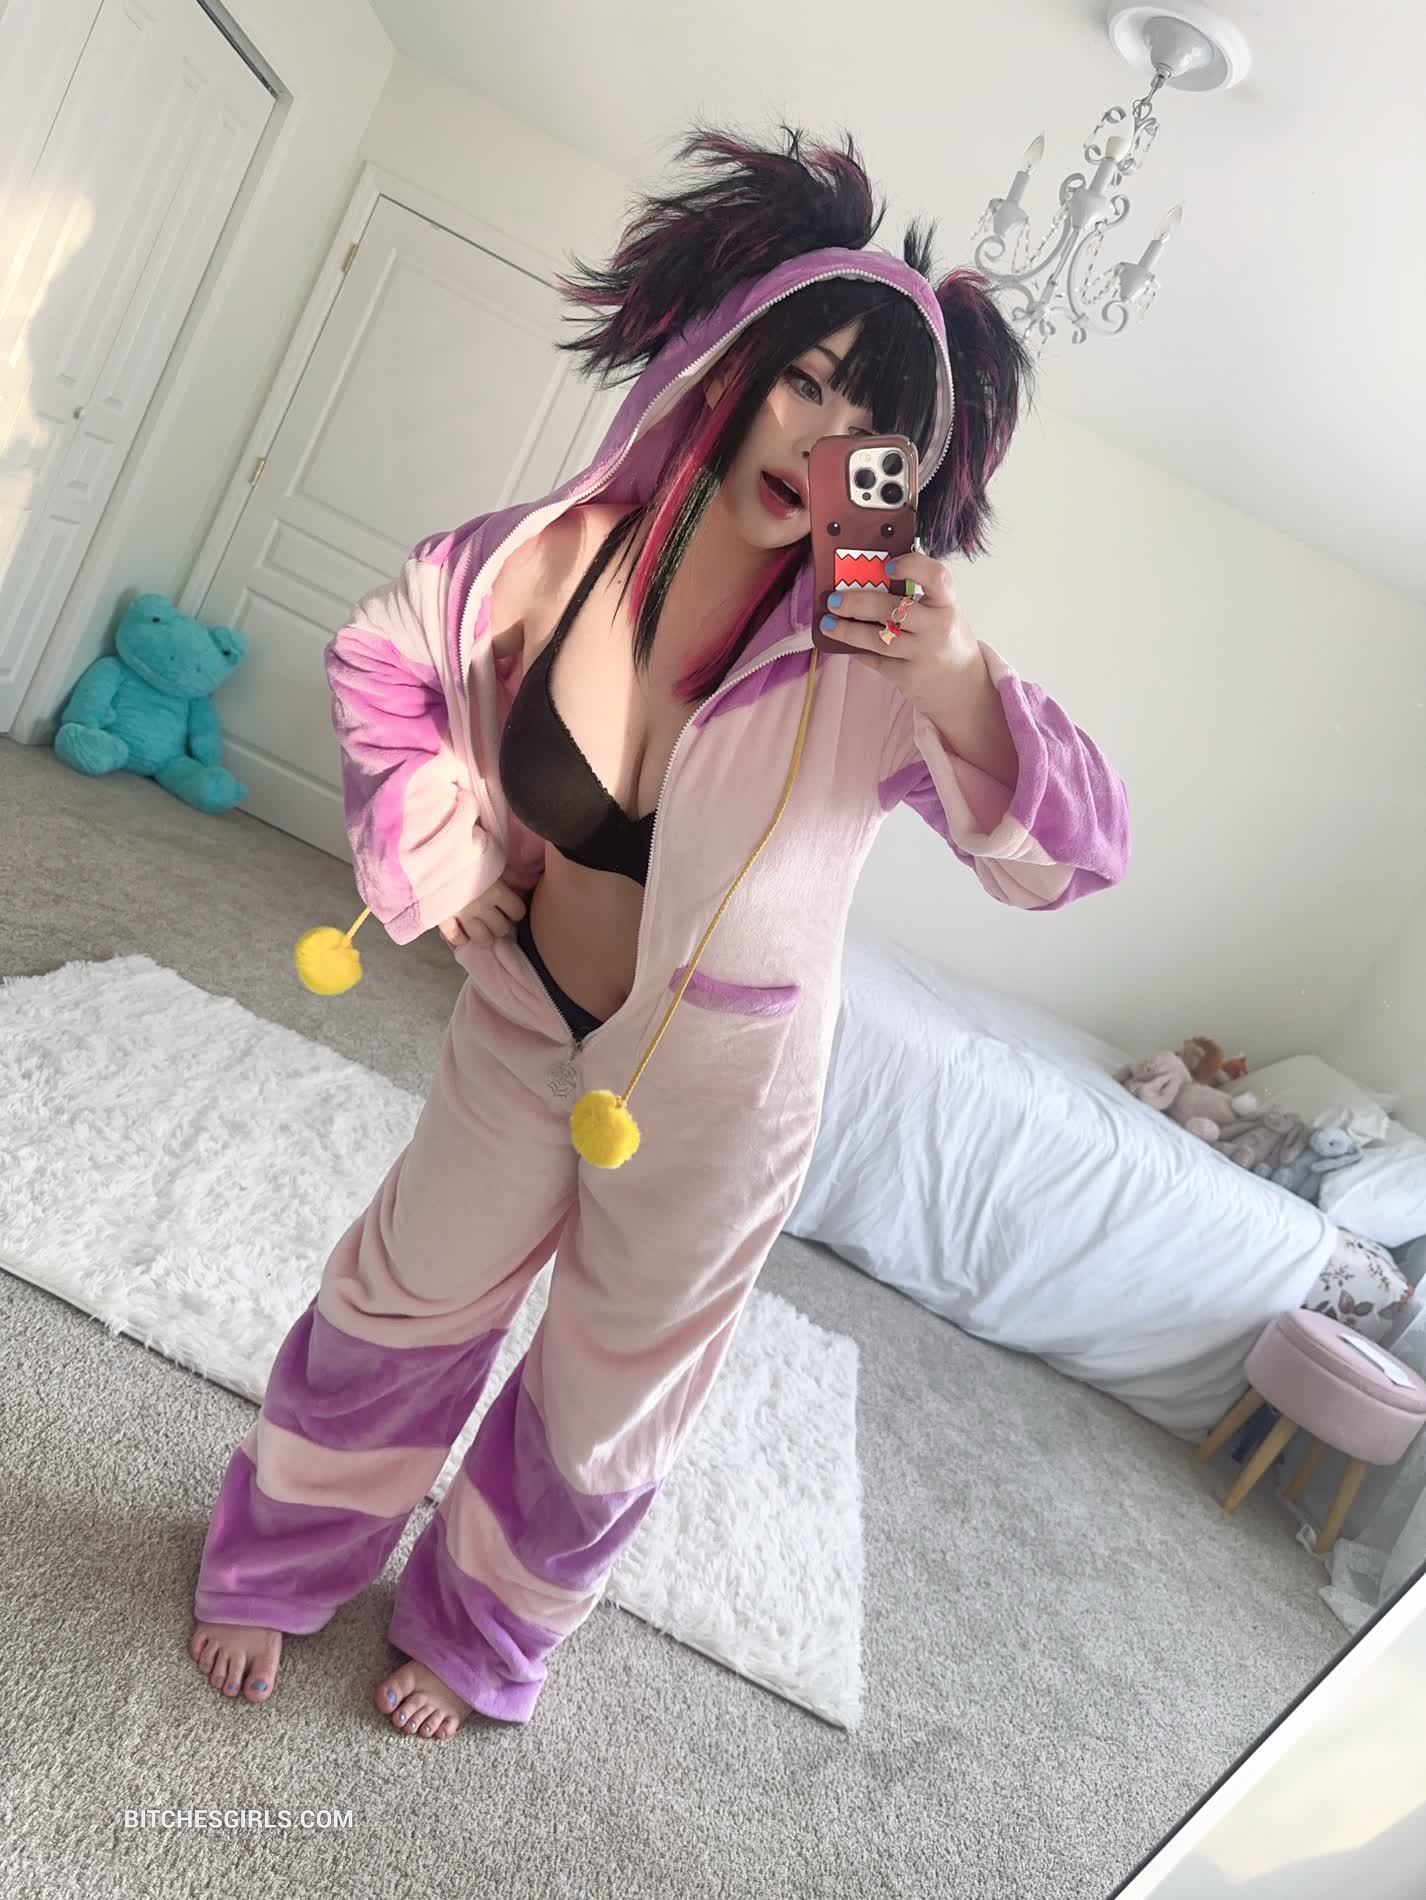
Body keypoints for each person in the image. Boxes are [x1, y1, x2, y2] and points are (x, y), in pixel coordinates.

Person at [188, 128, 1131, 1739]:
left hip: (719, 1101)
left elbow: (1065, 860)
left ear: (906, 474)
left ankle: (482, 1634)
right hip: (523, 1024)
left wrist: (958, 680)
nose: (823, 436)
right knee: (399, 1304)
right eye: (806, 381)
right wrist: (452, 851)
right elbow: (384, 663)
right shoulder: (538, 561)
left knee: (608, 1399)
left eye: (873, 429)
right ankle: (278, 1563)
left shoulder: (876, 663)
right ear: (730, 364)